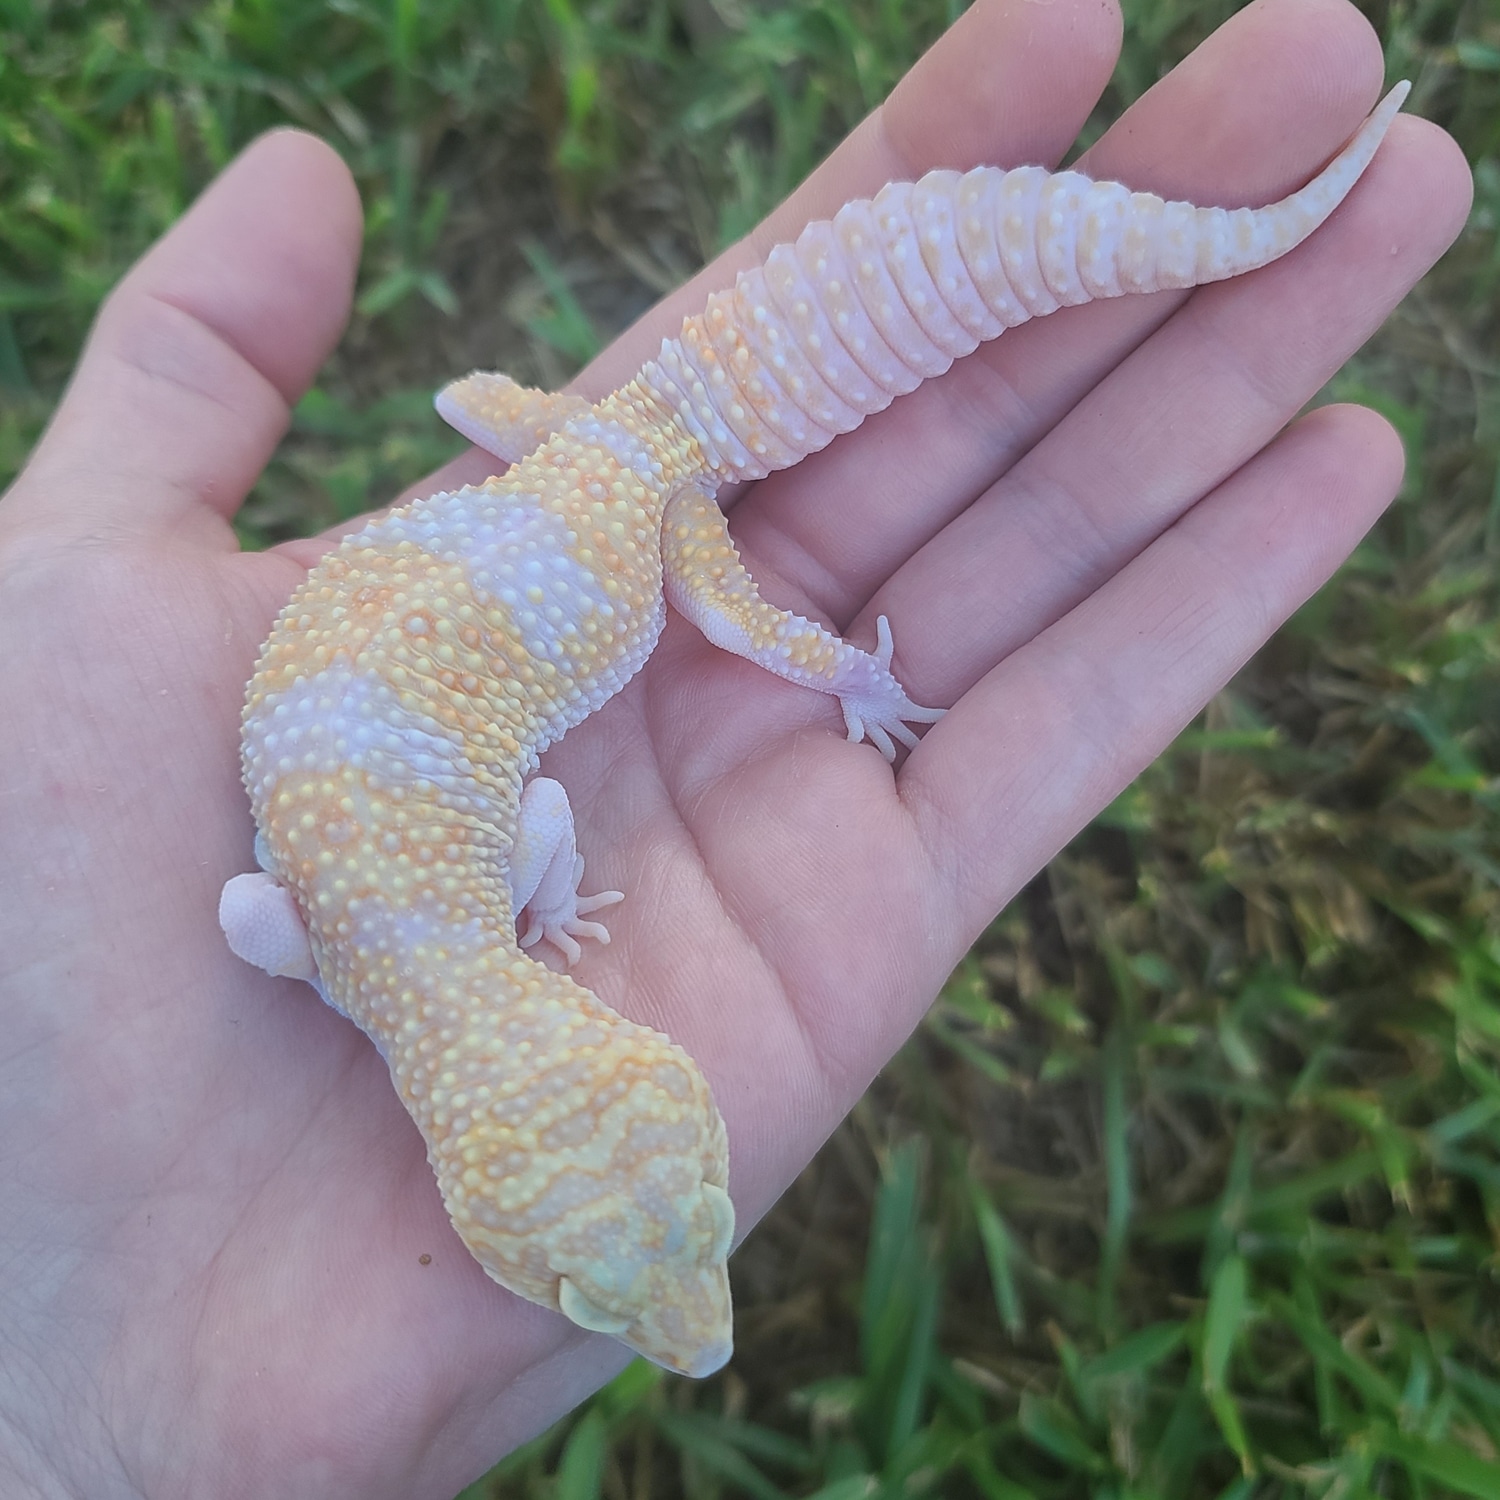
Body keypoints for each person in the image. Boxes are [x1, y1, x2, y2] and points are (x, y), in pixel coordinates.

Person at [0, 0, 1470, 1493]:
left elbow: (526, 840)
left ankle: (1214, 249)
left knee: (772, 629)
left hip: (634, 503)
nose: (690, 1343)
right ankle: (1224, 226)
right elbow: (252, 914)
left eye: (596, 1292)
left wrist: (831, 686)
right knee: (507, 428)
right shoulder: (326, 939)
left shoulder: (474, 909)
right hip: (555, 452)